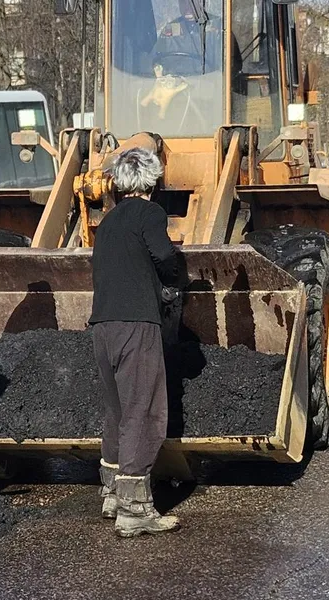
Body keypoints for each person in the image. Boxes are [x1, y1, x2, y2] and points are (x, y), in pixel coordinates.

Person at [89, 147, 183, 537]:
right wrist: (177, 278)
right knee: (144, 413)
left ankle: (111, 493)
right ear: (152, 181)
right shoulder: (150, 213)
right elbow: (163, 256)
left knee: (118, 411)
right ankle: (135, 508)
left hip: (102, 327)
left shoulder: (107, 222)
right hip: (136, 326)